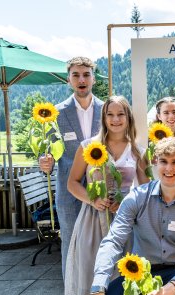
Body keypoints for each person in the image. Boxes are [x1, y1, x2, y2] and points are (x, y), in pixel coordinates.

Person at [91, 137, 175, 295]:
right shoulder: (137, 198)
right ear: (156, 164)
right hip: (141, 273)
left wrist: (174, 285)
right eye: (163, 161)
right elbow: (113, 241)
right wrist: (99, 283)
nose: (168, 168)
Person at [64, 96, 149, 294]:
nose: (115, 119)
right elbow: (72, 183)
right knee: (90, 269)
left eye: (120, 114)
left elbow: (146, 190)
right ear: (103, 118)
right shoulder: (88, 147)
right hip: (92, 220)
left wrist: (128, 202)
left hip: (125, 222)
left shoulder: (138, 151)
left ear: (128, 118)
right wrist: (92, 200)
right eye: (110, 114)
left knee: (123, 273)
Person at [38, 56, 104, 277]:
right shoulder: (55, 114)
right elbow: (47, 152)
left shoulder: (107, 111)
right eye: (76, 75)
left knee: (103, 242)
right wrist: (43, 162)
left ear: (93, 79)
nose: (81, 79)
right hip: (69, 193)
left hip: (102, 189)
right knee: (70, 244)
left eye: (86, 74)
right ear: (69, 80)